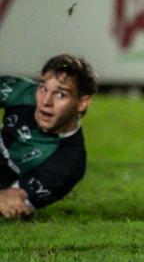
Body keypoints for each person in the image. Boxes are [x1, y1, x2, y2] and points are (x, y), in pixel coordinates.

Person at [1, 55, 97, 219]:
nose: (46, 101)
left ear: (82, 103)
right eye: (43, 88)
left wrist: (8, 198)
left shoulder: (69, 162)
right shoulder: (23, 92)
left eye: (60, 94)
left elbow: (10, 199)